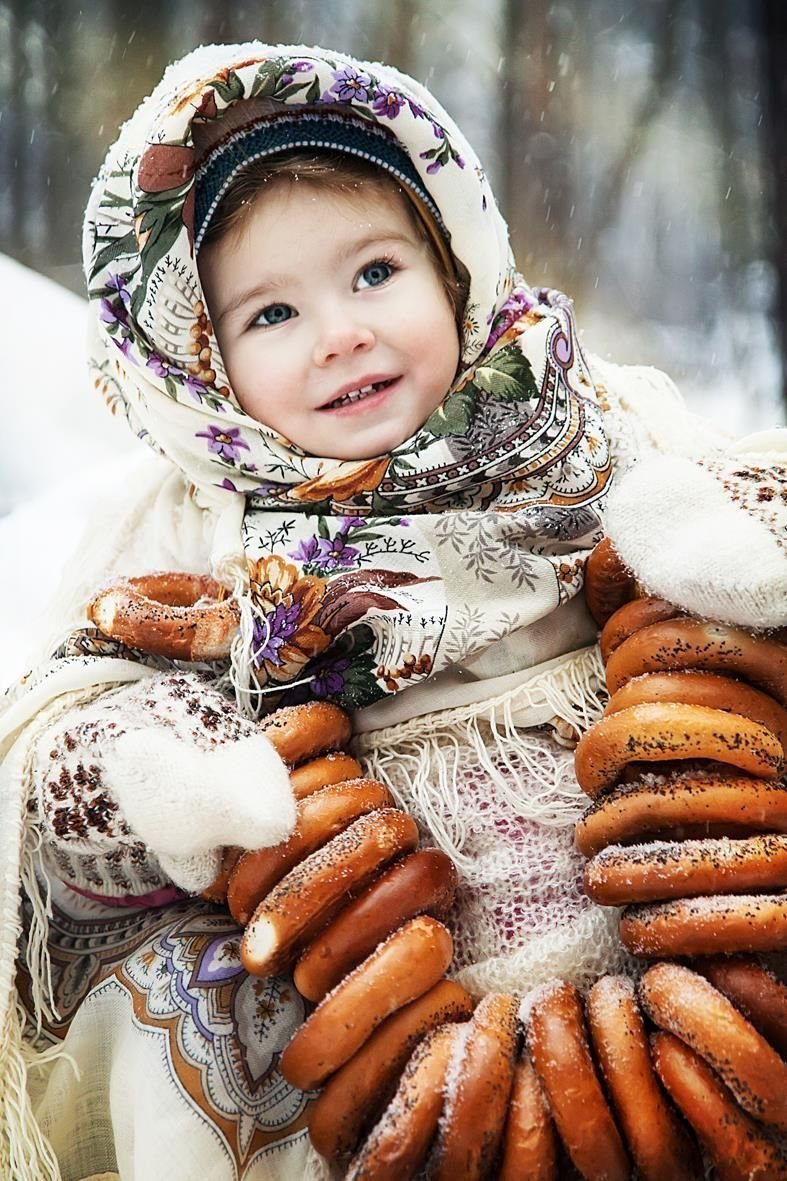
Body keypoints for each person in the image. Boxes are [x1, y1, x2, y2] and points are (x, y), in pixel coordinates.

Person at [1, 39, 784, 1181]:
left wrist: (715, 564)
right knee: (177, 1006)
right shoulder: (192, 522)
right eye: (270, 314)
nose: (340, 332)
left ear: (453, 261)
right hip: (376, 983)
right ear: (199, 366)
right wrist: (152, 755)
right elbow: (75, 695)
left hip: (661, 899)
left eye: (375, 272)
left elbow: (736, 483)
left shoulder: (591, 420)